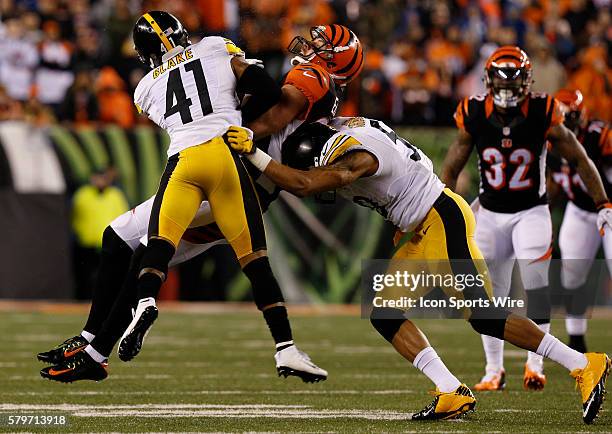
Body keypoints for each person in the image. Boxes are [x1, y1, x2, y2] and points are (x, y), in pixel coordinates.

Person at [227, 116, 611, 424]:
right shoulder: (348, 127)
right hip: (422, 224)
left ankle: (583, 363)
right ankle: (451, 390)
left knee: (484, 314)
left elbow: (309, 183)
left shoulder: (357, 156)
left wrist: (258, 156)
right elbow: (415, 164)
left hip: (441, 221)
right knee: (385, 312)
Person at [38, 21, 363, 384]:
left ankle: (96, 354)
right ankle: (89, 341)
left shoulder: (312, 77)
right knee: (118, 237)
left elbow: (272, 112)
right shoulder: (314, 85)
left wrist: (228, 120)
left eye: (320, 43)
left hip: (237, 177)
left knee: (147, 251)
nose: (309, 43)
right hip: (231, 171)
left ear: (336, 61)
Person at [440, 46, 611, 392]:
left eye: (513, 78)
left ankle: (536, 366)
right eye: (500, 78)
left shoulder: (543, 110)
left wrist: (603, 202)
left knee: (536, 286)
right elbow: (452, 168)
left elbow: (580, 159)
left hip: (530, 212)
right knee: (489, 297)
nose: (506, 86)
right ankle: (493, 370)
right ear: (488, 80)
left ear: (527, 81)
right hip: (488, 212)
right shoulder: (472, 112)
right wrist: (446, 211)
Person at [547, 89, 612, 353]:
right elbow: (554, 183)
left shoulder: (600, 136)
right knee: (572, 274)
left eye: (569, 116)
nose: (564, 122)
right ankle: (576, 339)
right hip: (578, 210)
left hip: (608, 209)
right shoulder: (547, 139)